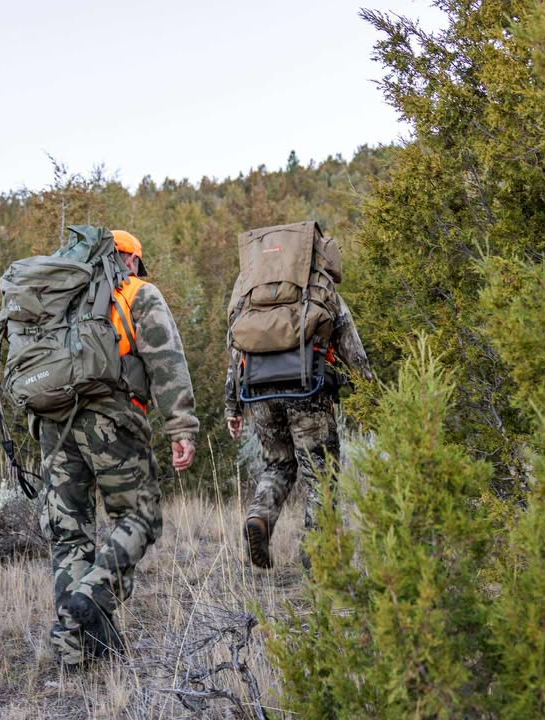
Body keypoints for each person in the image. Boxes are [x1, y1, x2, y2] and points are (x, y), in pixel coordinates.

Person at [40, 229, 198, 668]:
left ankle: (73, 646)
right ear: (129, 260)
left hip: (53, 423)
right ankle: (93, 595)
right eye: (136, 263)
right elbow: (166, 361)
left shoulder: (54, 297)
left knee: (69, 533)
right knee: (140, 517)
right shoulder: (138, 293)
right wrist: (181, 427)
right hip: (111, 420)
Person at [225, 294, 371, 569]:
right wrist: (369, 390)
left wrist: (232, 406)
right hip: (308, 386)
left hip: (259, 390)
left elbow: (235, 345)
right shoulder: (318, 284)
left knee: (278, 464)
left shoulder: (251, 290)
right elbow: (350, 342)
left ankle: (259, 517)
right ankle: (315, 555)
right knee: (321, 472)